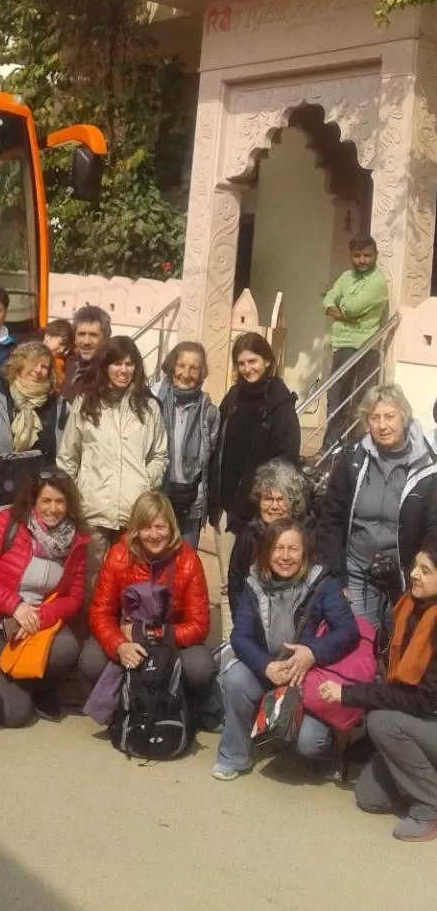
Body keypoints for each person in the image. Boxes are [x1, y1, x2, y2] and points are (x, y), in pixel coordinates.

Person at [212, 518, 360, 780]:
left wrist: (311, 653)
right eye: (278, 548)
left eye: (293, 549)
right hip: (268, 667)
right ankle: (233, 756)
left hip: (307, 674)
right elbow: (240, 636)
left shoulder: (323, 583)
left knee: (310, 743)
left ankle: (328, 755)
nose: (285, 556)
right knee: (236, 679)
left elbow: (348, 631)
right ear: (267, 551)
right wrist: (265, 665)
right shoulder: (253, 582)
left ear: (304, 552)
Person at [320, 535, 437, 842]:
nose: (414, 574)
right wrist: (392, 588)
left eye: (426, 571)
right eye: (415, 566)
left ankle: (429, 807)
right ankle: (424, 781)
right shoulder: (411, 607)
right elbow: (395, 676)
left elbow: (422, 700)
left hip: (427, 715)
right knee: (370, 797)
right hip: (423, 724)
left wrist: (348, 694)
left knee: (383, 722)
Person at [0, 468, 88, 726]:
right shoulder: (8, 523)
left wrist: (41, 616)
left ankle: (41, 687)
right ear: (33, 501)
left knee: (67, 648)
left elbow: (74, 597)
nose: (53, 509)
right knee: (15, 714)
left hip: (39, 625)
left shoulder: (77, 540)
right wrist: (14, 606)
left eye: (60, 501)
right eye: (46, 501)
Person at [79, 490, 215, 707]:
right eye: (146, 528)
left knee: (201, 666)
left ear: (171, 527)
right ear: (136, 530)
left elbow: (199, 625)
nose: (154, 535)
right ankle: (125, 701)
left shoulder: (189, 560)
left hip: (169, 638)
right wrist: (120, 646)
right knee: (91, 660)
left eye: (160, 527)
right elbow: (100, 614)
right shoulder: (118, 555)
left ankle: (175, 702)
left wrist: (153, 634)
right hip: (126, 636)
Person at [317, 385, 437, 629]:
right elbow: (331, 517)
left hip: (405, 575)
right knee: (360, 638)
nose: (382, 426)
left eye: (389, 416)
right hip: (357, 570)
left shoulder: (428, 465)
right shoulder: (353, 459)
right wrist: (336, 575)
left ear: (404, 417)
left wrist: (422, 573)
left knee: (398, 639)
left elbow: (433, 527)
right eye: (374, 418)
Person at [208, 332, 300, 640]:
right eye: (242, 363)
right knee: (228, 584)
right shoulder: (233, 398)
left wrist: (266, 501)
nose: (247, 368)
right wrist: (214, 502)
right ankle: (230, 647)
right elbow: (217, 450)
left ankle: (258, 646)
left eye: (253, 361)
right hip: (227, 508)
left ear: (268, 361)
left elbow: (286, 458)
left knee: (260, 584)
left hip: (260, 513)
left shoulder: (280, 403)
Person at [58, 336, 167, 589]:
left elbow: (159, 455)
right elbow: (68, 457)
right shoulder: (85, 404)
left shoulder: (148, 407)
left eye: (129, 364)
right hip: (92, 510)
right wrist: (74, 498)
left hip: (134, 511)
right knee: (91, 583)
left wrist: (145, 484)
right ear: (105, 366)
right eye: (117, 363)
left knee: (129, 582)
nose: (123, 370)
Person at [0, 342, 65, 532]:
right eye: (33, 363)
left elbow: (66, 457)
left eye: (44, 366)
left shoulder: (58, 406)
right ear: (18, 364)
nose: (38, 370)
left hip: (40, 507)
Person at [151, 340, 220, 549]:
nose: (186, 374)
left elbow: (210, 459)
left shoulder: (210, 412)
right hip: (157, 496)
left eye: (194, 368)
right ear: (172, 366)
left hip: (191, 501)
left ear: (201, 373)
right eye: (181, 365)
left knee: (187, 562)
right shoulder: (153, 402)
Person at [227, 459, 313, 622]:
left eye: (280, 500)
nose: (274, 506)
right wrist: (242, 620)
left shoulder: (306, 535)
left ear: (293, 503)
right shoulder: (248, 535)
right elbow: (236, 582)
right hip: (252, 619)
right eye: (268, 499)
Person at [322, 236, 388, 449]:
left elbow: (351, 307)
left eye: (367, 255)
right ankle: (331, 445)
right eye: (357, 255)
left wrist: (340, 310)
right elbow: (328, 299)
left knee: (358, 399)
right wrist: (340, 311)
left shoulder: (377, 282)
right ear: (351, 255)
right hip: (341, 344)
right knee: (335, 396)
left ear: (375, 255)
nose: (362, 260)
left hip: (363, 346)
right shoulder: (346, 276)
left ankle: (351, 447)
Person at [62, 305, 111, 404]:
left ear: (105, 339)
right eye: (81, 334)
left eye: (93, 335)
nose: (86, 341)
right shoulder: (70, 363)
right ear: (75, 338)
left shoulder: (108, 372)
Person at [43, 319, 74, 388]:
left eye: (65, 347)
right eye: (61, 344)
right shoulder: (31, 353)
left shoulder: (61, 362)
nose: (62, 350)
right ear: (48, 336)